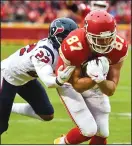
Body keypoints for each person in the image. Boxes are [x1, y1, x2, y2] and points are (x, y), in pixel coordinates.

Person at [54, 10, 128, 144]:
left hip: (96, 81)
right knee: (88, 130)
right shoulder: (74, 45)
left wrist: (100, 79)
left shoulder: (119, 46)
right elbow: (76, 85)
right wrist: (95, 78)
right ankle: (60, 143)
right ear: (88, 35)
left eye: (109, 37)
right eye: (99, 38)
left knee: (102, 132)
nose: (105, 42)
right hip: (68, 82)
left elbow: (111, 89)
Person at [0, 17, 78, 135]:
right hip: (6, 75)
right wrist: (59, 79)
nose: (72, 42)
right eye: (68, 39)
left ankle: (9, 107)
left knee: (46, 113)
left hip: (25, 78)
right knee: (1, 126)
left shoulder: (57, 49)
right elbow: (48, 81)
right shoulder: (45, 52)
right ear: (57, 38)